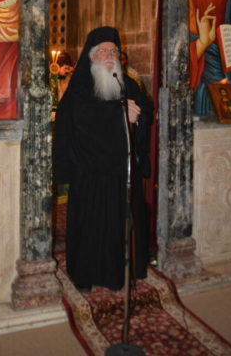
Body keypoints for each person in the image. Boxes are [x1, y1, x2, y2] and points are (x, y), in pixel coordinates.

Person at [53, 26, 152, 292]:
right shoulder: (80, 86)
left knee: (120, 225)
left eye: (114, 51)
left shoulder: (126, 83)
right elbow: (79, 120)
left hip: (121, 172)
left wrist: (138, 116)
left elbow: (144, 109)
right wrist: (118, 113)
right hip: (90, 173)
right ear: (91, 55)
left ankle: (121, 272)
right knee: (91, 227)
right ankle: (86, 274)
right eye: (103, 51)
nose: (110, 55)